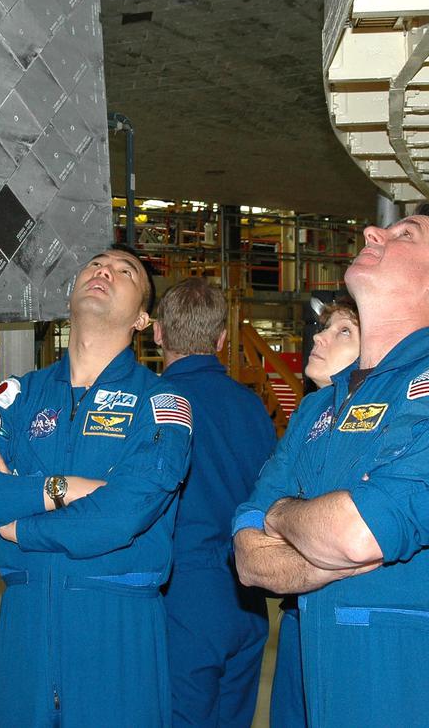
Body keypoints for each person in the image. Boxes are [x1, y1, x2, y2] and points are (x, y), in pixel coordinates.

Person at [233, 204, 429, 727]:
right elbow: (250, 562)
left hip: (414, 696)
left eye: (404, 234)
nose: (372, 231)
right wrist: (324, 541)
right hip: (320, 689)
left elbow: (357, 535)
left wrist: (282, 515)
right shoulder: (320, 405)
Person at [0, 244, 194, 727]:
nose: (105, 271)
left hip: (118, 629)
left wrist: (18, 526)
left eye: (126, 272)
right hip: (25, 631)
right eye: (96, 265)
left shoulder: (163, 401)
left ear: (142, 319)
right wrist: (62, 487)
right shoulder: (16, 394)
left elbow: (124, 512)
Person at [152, 278, 276, 728]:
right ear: (223, 340)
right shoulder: (252, 407)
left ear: (158, 333)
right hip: (246, 595)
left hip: (181, 594)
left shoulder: (155, 404)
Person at [241, 298, 361, 728]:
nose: (320, 337)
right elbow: (257, 508)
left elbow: (358, 532)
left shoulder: (381, 418)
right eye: (324, 328)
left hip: (356, 622)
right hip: (298, 615)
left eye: (343, 331)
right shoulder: (312, 410)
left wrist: (283, 520)